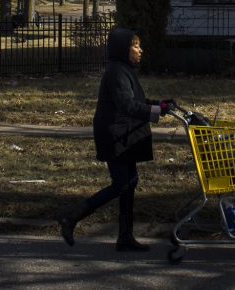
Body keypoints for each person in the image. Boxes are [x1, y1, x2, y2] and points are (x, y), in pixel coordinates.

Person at [57, 27, 171, 251]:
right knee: (121, 183)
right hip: (115, 136)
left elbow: (137, 99)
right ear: (123, 49)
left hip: (123, 135)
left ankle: (125, 236)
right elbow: (127, 105)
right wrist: (156, 111)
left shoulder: (124, 69)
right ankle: (71, 217)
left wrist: (160, 104)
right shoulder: (117, 72)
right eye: (135, 46)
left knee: (130, 183)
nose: (140, 50)